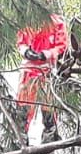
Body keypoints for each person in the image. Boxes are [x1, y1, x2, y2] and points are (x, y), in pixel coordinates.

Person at [15, 14, 69, 142]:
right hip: (28, 72)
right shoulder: (27, 19)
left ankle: (49, 146)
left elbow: (62, 46)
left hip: (47, 72)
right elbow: (20, 41)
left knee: (49, 112)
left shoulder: (57, 22)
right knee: (23, 110)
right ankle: (19, 145)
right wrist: (26, 52)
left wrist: (46, 54)